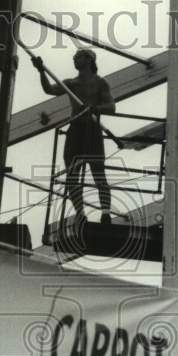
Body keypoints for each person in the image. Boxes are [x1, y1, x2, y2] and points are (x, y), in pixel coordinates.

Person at [31, 48, 115, 226]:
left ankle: (106, 213)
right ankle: (80, 213)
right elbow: (49, 89)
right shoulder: (71, 83)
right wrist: (41, 70)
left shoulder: (100, 83)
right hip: (75, 130)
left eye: (78, 57)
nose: (74, 59)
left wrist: (95, 109)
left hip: (92, 130)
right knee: (72, 176)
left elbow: (111, 107)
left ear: (89, 60)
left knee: (99, 174)